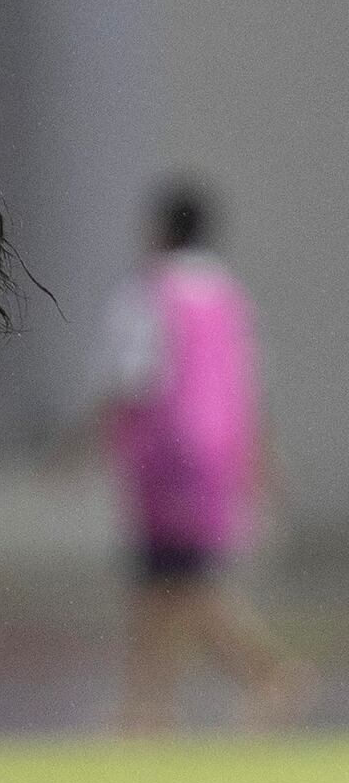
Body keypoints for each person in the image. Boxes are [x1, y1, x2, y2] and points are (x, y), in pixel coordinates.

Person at [99, 180, 314, 735]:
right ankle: (150, 705)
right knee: (166, 581)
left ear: (163, 230)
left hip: (166, 455)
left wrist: (80, 444)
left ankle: (262, 674)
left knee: (176, 580)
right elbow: (249, 388)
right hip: (221, 454)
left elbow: (131, 380)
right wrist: (264, 464)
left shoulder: (149, 292)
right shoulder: (230, 297)